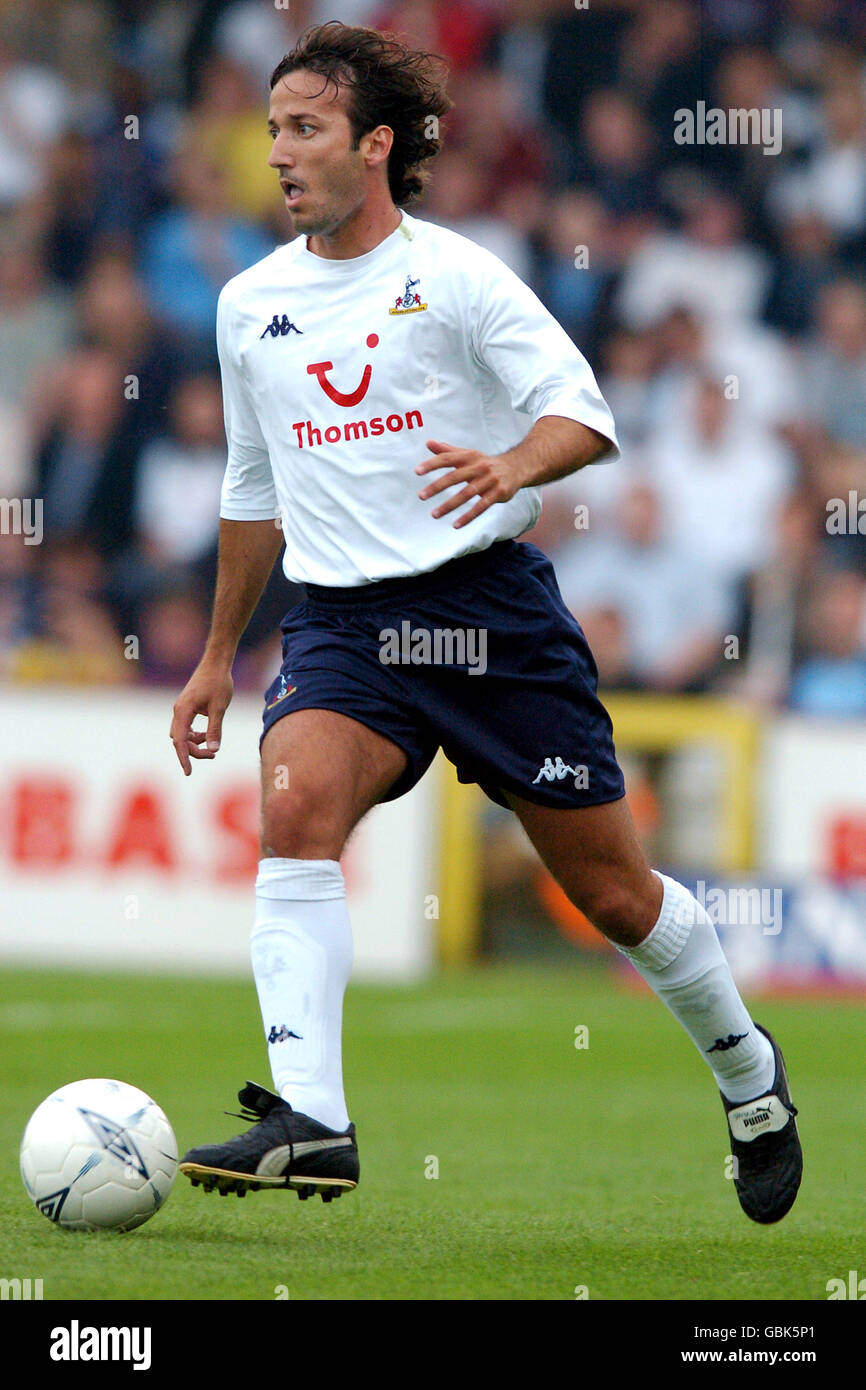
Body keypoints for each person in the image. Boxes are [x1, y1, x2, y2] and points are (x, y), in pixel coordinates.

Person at [169, 21, 801, 1223]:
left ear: (374, 145)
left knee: (614, 896)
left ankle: (746, 1074)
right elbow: (250, 493)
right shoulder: (249, 307)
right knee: (294, 803)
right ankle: (311, 1121)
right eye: (272, 133)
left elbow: (584, 414)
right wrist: (212, 658)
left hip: (487, 620)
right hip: (345, 629)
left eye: (303, 131)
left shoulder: (453, 276)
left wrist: (513, 465)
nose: (280, 156)